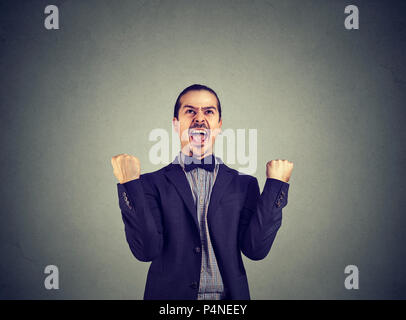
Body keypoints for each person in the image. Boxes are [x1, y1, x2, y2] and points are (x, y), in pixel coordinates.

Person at [111, 84, 294, 300]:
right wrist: (129, 183)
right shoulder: (151, 184)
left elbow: (256, 250)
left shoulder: (245, 185)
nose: (200, 118)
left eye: (208, 111)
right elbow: (146, 251)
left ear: (218, 125)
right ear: (175, 124)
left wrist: (276, 185)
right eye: (190, 111)